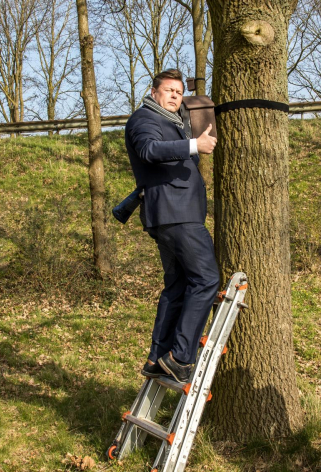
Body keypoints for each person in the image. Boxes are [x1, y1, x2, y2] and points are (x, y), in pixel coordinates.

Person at [124, 69, 219, 383]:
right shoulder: (144, 119)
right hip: (176, 215)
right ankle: (179, 357)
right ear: (154, 93)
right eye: (169, 90)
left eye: (179, 92)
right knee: (206, 280)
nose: (176, 96)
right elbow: (149, 150)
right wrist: (194, 145)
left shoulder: (174, 123)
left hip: (173, 214)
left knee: (178, 287)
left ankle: (156, 359)